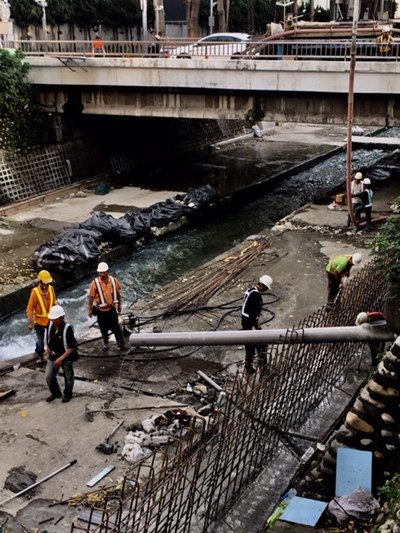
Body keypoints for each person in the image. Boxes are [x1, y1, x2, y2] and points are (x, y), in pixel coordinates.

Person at [88, 262, 126, 351]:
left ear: (107, 271)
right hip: (101, 311)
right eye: (100, 272)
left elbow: (118, 294)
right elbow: (91, 297)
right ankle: (106, 343)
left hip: (111, 309)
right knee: (103, 328)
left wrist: (119, 305)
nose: (102, 274)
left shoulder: (113, 280)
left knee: (116, 327)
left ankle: (121, 343)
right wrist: (90, 309)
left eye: (103, 272)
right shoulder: (95, 283)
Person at [45, 305, 78, 403]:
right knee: (49, 376)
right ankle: (56, 393)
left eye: (55, 319)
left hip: (66, 357)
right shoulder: (50, 325)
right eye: (52, 319)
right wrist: (48, 349)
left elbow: (72, 347)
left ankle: (68, 393)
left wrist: (61, 358)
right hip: (53, 355)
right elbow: (47, 338)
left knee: (68, 376)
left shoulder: (67, 329)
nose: (53, 321)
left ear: (62, 318)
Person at [241, 275, 273, 374]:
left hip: (245, 321)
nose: (266, 290)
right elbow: (253, 312)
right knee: (261, 344)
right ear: (263, 285)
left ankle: (249, 367)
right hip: (250, 323)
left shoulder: (250, 290)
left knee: (249, 346)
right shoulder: (256, 295)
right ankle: (263, 368)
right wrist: (256, 326)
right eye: (266, 287)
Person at [27, 270, 57, 363]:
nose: (46, 286)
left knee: (51, 338)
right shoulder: (35, 293)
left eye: (48, 283)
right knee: (40, 342)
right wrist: (31, 323)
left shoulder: (51, 289)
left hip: (50, 320)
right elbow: (30, 309)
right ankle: (40, 355)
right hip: (39, 322)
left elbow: (55, 303)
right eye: (45, 283)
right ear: (40, 282)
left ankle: (51, 353)